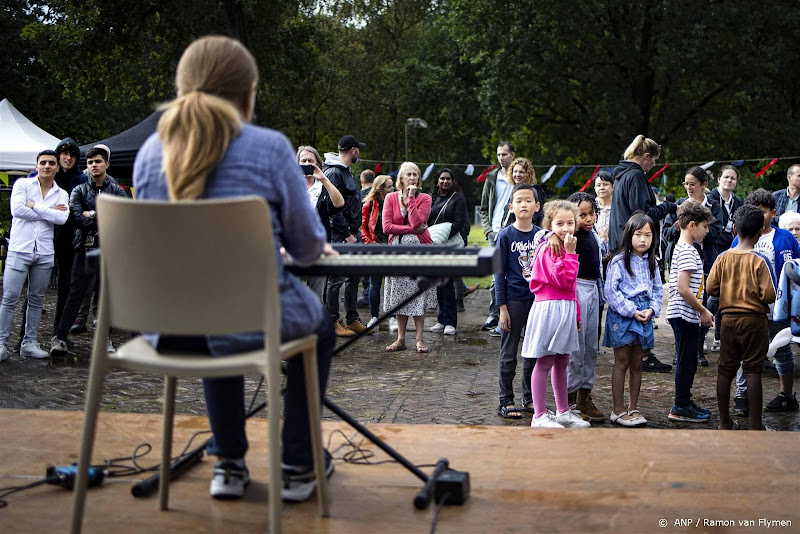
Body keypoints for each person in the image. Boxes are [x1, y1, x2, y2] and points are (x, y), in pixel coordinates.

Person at [132, 35, 337, 502]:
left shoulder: (149, 153)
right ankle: (299, 464)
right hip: (252, 314)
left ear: (184, 88)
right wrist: (283, 251)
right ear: (247, 92)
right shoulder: (268, 148)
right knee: (319, 328)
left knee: (209, 312)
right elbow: (307, 247)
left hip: (170, 325)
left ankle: (228, 462)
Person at [50, 146, 127, 356]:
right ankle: (60, 337)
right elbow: (75, 218)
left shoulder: (117, 190)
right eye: (90, 162)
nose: (94, 165)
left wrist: (91, 213)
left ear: (106, 164)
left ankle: (105, 339)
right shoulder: (79, 190)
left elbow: (122, 218)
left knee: (105, 296)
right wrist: (100, 215)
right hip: (83, 248)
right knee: (75, 294)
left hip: (109, 250)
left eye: (98, 161)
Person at [608, 135, 676, 372]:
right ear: (646, 156)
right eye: (654, 160)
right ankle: (641, 352)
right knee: (638, 293)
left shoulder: (622, 174)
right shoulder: (636, 175)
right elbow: (641, 216)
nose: (653, 166)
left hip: (621, 242)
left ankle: (636, 348)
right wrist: (668, 207)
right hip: (630, 245)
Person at [730, 189, 800, 415]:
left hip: (778, 308)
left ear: (773, 213)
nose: (760, 218)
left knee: (782, 350)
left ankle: (786, 395)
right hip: (750, 308)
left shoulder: (785, 238)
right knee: (746, 351)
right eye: (755, 213)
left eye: (763, 213)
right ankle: (742, 396)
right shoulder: (741, 237)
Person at [707, 204, 776, 431]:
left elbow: (710, 289)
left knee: (726, 369)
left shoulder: (723, 258)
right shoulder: (760, 260)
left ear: (734, 229)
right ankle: (756, 425)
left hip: (727, 320)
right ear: (760, 231)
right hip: (754, 321)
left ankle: (724, 421)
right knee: (753, 369)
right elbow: (769, 294)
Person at [521, 200, 590, 429]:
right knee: (545, 361)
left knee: (562, 361)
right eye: (560, 223)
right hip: (550, 308)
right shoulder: (551, 247)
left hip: (566, 308)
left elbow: (572, 289)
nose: (566, 228)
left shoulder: (564, 245)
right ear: (550, 225)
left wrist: (577, 314)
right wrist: (570, 254)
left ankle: (563, 412)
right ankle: (539, 415)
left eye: (570, 223)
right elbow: (563, 279)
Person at [0, 150, 69, 360]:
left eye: (51, 163)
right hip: (20, 248)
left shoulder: (62, 193)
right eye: (43, 163)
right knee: (10, 298)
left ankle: (29, 343)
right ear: (36, 166)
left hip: (45, 251)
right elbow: (17, 211)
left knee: (37, 300)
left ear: (57, 167)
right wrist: (49, 211)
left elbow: (62, 219)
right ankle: (1, 343)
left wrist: (36, 206)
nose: (47, 166)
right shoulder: (23, 184)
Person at [603, 212, 662, 426]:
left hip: (644, 316)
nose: (643, 239)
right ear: (629, 235)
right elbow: (611, 291)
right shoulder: (619, 261)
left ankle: (633, 408)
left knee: (638, 363)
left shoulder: (653, 262)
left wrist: (653, 309)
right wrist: (631, 310)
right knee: (622, 361)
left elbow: (657, 290)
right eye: (638, 234)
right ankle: (618, 410)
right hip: (623, 316)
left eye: (648, 235)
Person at [663, 167, 723, 366]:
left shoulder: (713, 205)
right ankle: (681, 349)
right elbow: (666, 234)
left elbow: (717, 233)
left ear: (703, 185)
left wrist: (700, 227)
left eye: (692, 184)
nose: (689, 188)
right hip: (682, 260)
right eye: (686, 184)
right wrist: (678, 229)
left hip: (705, 260)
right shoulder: (680, 205)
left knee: (704, 301)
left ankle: (698, 347)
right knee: (682, 302)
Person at [665, 201, 715, 423]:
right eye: (705, 226)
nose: (707, 231)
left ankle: (684, 400)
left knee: (690, 360)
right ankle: (680, 405)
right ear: (692, 225)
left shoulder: (687, 249)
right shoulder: (686, 251)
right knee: (686, 361)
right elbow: (683, 288)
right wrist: (703, 310)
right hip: (684, 313)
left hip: (687, 314)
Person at [495, 184, 540, 419]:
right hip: (513, 302)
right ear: (511, 207)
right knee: (509, 352)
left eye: (528, 200)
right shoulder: (505, 236)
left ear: (536, 206)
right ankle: (506, 399)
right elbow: (498, 274)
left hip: (537, 302)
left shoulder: (542, 236)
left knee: (532, 352)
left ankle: (529, 397)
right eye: (519, 201)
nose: (524, 204)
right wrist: (502, 308)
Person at [383, 162, 432, 353]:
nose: (412, 177)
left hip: (419, 251)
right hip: (396, 252)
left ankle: (419, 339)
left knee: (417, 294)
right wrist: (411, 229)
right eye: (408, 174)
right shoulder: (390, 198)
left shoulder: (425, 198)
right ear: (401, 178)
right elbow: (386, 227)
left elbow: (418, 221)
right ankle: (401, 339)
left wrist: (411, 198)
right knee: (399, 294)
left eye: (415, 174)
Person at [566, 192, 606, 422]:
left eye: (592, 213)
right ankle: (570, 401)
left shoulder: (593, 237)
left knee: (591, 346)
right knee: (576, 348)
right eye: (582, 215)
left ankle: (585, 396)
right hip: (577, 290)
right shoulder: (570, 237)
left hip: (593, 291)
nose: (589, 219)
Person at [323, 135, 368, 337]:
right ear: (352, 150)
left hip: (353, 233)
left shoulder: (347, 172)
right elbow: (333, 209)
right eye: (358, 149)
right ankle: (333, 320)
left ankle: (352, 318)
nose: (359, 152)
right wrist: (348, 234)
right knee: (336, 278)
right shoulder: (334, 173)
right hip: (341, 235)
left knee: (354, 276)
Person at [297, 145, 344, 301]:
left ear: (318, 164)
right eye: (303, 160)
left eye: (311, 160)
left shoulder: (323, 187)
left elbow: (339, 203)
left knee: (316, 298)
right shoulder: (290, 186)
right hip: (293, 248)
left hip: (319, 248)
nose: (307, 163)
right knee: (291, 297)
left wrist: (323, 178)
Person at [479, 141, 515, 331]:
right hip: (495, 232)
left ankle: (513, 314)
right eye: (499, 154)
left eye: (505, 154)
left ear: (513, 155)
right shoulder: (491, 177)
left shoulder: (519, 175)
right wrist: (488, 230)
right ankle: (494, 314)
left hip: (514, 230)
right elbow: (484, 207)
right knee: (496, 277)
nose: (501, 158)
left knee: (514, 274)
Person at [706, 165, 743, 352]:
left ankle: (719, 337)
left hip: (732, 250)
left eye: (733, 178)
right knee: (713, 293)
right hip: (714, 250)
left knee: (727, 294)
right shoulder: (710, 199)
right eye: (726, 177)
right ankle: (703, 330)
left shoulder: (738, 202)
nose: (729, 181)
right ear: (719, 178)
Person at [52, 138, 86, 337]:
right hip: (48, 237)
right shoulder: (49, 177)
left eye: (72, 154)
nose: (68, 158)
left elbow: (82, 210)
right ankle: (24, 336)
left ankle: (60, 333)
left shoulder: (82, 180)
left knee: (66, 289)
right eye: (64, 153)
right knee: (35, 291)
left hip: (70, 240)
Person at [428, 168, 467, 335]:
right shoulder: (431, 198)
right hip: (435, 244)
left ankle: (451, 322)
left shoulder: (458, 199)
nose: (445, 182)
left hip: (449, 244)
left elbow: (459, 222)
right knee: (438, 282)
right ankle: (441, 320)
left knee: (449, 283)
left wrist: (442, 237)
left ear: (452, 181)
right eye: (442, 179)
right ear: (437, 181)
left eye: (448, 179)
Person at [361, 174, 394, 328]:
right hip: (375, 247)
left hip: (391, 247)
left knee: (392, 283)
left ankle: (393, 316)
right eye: (390, 186)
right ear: (381, 189)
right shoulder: (369, 204)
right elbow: (363, 227)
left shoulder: (394, 203)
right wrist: (371, 244)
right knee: (375, 284)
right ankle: (374, 317)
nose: (393, 188)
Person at [357, 169, 375, 307]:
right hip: (375, 235)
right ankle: (370, 295)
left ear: (361, 181)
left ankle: (367, 296)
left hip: (362, 235)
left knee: (364, 267)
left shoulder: (359, 195)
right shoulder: (376, 195)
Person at [594, 170, 613, 245]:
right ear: (595, 188)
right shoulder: (591, 206)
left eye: (605, 184)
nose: (602, 188)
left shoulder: (619, 206)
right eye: (598, 185)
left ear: (612, 186)